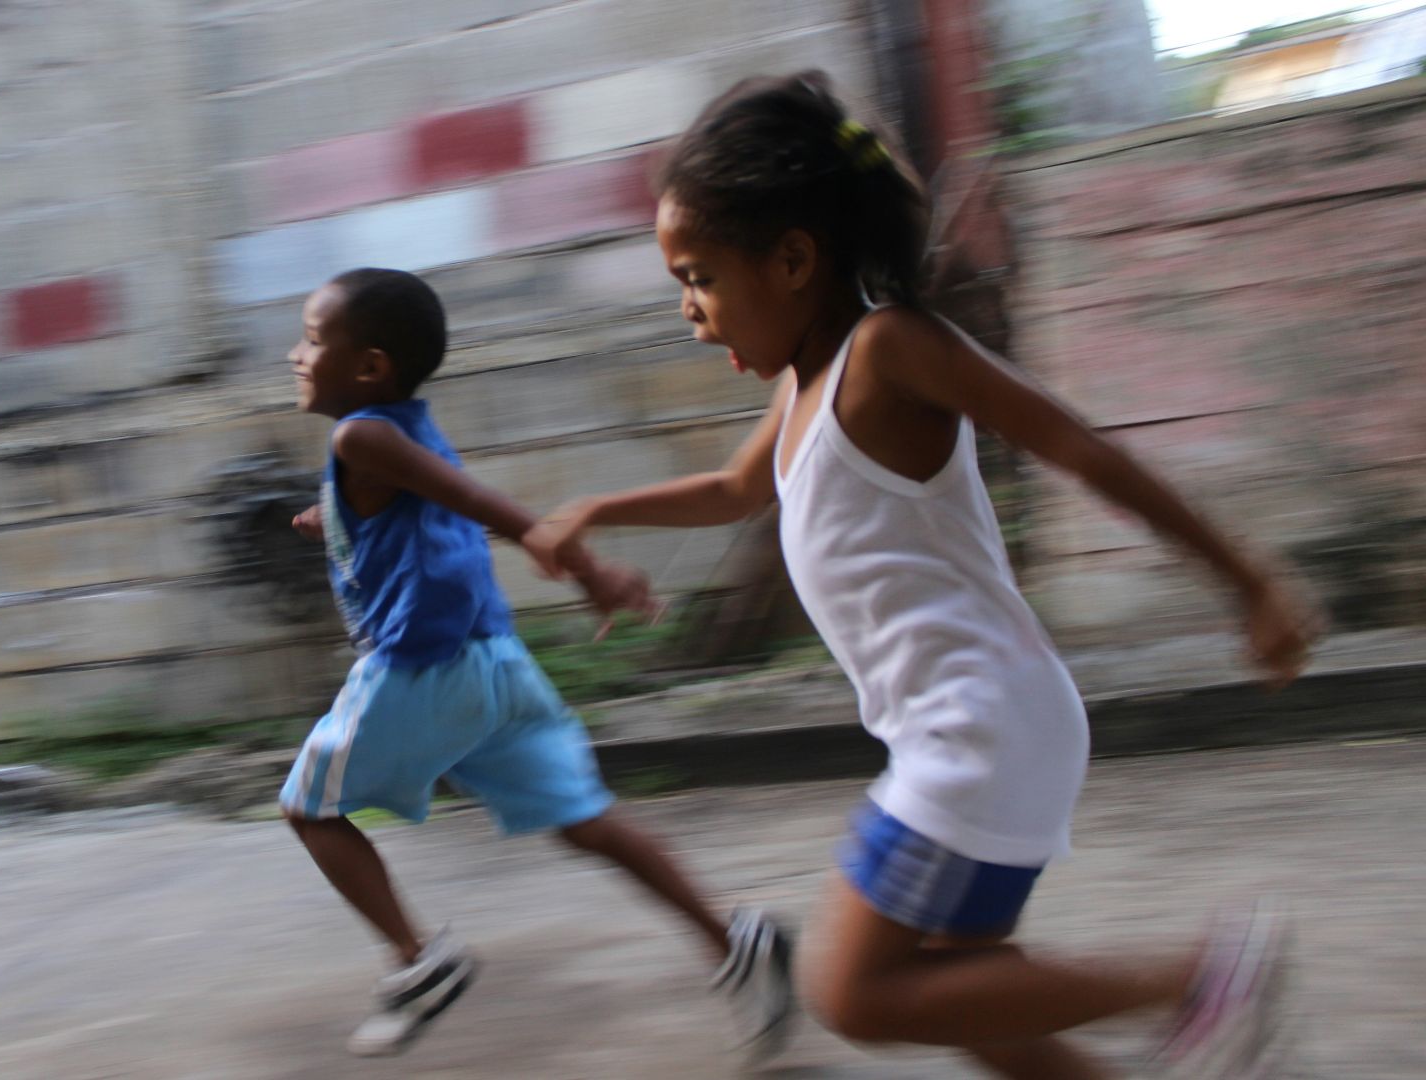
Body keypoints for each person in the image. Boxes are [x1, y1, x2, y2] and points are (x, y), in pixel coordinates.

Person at [527, 73, 1320, 1079]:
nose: (689, 310)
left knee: (848, 989)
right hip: (973, 724)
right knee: (975, 1008)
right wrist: (596, 511)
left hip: (977, 727)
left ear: (793, 258)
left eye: (699, 276)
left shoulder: (888, 350)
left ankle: (1202, 977)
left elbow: (1079, 448)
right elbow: (735, 488)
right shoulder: (805, 385)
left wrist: (1248, 580)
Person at [278, 267, 795, 1059]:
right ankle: (732, 938)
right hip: (496, 664)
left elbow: (481, 504)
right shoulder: (396, 430)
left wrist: (584, 563)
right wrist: (336, 518)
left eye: (313, 339)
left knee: (310, 809)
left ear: (370, 367)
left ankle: (418, 963)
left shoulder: (360, 436)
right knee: (584, 816)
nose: (296, 353)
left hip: (422, 670)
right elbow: (423, 504)